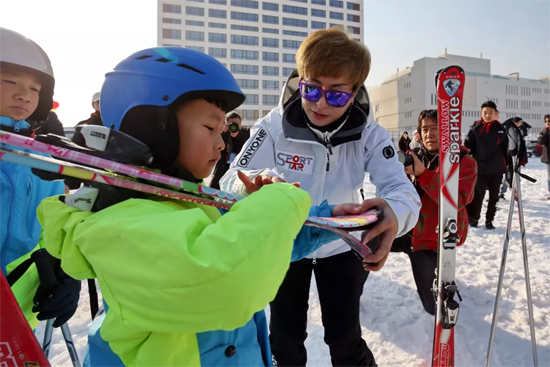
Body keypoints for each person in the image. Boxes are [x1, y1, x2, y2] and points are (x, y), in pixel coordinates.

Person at [36, 46, 373, 367]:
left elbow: (252, 247)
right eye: (211, 127)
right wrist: (282, 200)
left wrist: (322, 221)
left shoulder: (187, 202)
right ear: (155, 127)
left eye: (224, 129)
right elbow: (227, 279)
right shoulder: (119, 223)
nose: (221, 142)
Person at [220, 27, 420, 367]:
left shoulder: (369, 132)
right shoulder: (274, 125)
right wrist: (253, 182)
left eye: (337, 96)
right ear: (300, 81)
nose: (320, 103)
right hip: (288, 243)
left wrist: (394, 214)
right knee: (284, 340)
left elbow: (402, 191)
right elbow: (229, 178)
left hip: (340, 244)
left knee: (345, 340)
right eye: (310, 89)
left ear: (355, 92)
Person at [0, 27, 79, 329]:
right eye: (10, 82)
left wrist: (63, 270)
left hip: (22, 313)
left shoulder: (42, 159)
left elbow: (53, 223)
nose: (24, 94)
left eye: (35, 89)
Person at [388, 110, 477, 314]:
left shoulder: (464, 162)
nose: (429, 134)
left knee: (434, 308)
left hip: (435, 238)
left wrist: (423, 174)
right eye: (425, 129)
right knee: (365, 244)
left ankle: (443, 283)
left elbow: (457, 199)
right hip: (407, 227)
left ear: (449, 131)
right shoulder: (415, 157)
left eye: (435, 128)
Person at [465, 101, 507, 230]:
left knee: (494, 197)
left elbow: (507, 150)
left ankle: (489, 220)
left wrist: (509, 165)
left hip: (496, 169)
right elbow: (468, 148)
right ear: (481, 113)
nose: (488, 115)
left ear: (495, 114)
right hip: (480, 169)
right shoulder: (475, 129)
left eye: (490, 112)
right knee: (478, 195)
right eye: (485, 112)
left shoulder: (501, 129)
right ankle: (474, 219)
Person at [210, 111, 243, 189]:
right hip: (223, 167)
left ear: (241, 124)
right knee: (213, 188)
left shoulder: (245, 133)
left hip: (238, 170)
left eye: (237, 124)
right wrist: (222, 131)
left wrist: (238, 135)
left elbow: (247, 141)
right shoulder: (223, 134)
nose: (234, 126)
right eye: (231, 124)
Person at [500, 117, 529, 199]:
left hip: (518, 158)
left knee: (516, 176)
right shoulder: (509, 131)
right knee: (507, 177)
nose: (519, 124)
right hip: (509, 158)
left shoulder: (521, 131)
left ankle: (516, 193)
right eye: (518, 122)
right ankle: (502, 192)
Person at [538, 114, 550, 199]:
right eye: (546, 121)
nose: (548, 123)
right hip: (549, 157)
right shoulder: (544, 132)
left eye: (549, 121)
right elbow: (540, 141)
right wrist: (545, 133)